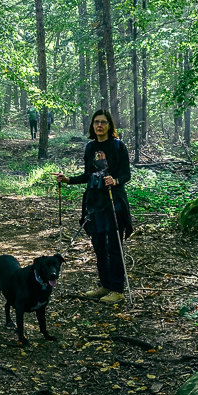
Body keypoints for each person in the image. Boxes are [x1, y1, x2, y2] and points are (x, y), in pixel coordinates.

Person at [56, 109, 132, 305]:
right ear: (92, 125)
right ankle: (105, 286)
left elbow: (126, 174)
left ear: (109, 125)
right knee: (98, 246)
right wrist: (68, 179)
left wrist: (115, 180)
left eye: (103, 122)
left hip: (114, 201)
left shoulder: (118, 145)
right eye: (96, 122)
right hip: (94, 203)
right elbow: (88, 175)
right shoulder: (90, 147)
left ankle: (117, 290)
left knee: (114, 246)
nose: (99, 125)